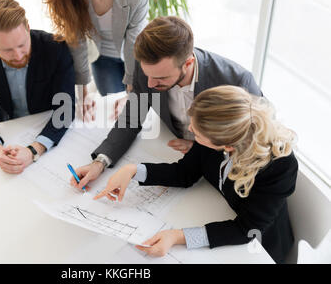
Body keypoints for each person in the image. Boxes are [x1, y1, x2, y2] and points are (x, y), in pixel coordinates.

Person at [94, 85, 298, 264]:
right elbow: (184, 173)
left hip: (260, 247)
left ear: (226, 145)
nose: (190, 130)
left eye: (197, 133)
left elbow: (246, 229)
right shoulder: (215, 131)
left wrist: (178, 236)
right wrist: (132, 171)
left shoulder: (280, 167)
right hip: (221, 213)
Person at [71, 16, 262, 191]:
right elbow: (132, 118)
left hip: (217, 173)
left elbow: (257, 141)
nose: (150, 84)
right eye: (148, 76)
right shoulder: (147, 67)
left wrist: (205, 146)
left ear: (188, 63)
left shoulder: (237, 81)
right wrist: (100, 162)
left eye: (160, 78)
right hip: (170, 153)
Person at [0, 0, 75, 242]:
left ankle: (33, 220)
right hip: (9, 125)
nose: (18, 55)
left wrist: (34, 150)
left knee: (57, 181)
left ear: (28, 29)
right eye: (7, 50)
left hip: (48, 125)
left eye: (22, 44)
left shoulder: (55, 47)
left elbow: (65, 111)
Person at [43, 0, 149, 121]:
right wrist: (83, 94)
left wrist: (132, 92)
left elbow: (133, 41)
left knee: (136, 110)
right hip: (103, 58)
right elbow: (77, 45)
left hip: (136, 54)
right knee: (111, 111)